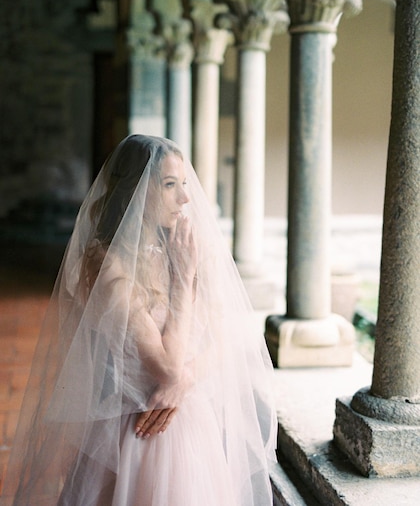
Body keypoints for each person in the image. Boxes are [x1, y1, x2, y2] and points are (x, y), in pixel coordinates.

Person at [1, 134, 277, 506]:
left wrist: (185, 382)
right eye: (168, 185)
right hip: (137, 431)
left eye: (183, 184)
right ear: (135, 191)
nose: (185, 198)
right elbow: (165, 366)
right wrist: (182, 282)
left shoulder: (180, 247)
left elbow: (225, 336)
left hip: (190, 423)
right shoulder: (107, 265)